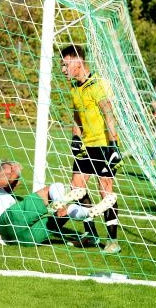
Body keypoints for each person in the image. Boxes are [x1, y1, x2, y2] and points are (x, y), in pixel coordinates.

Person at [60, 44, 121, 254]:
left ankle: (113, 241)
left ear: (78, 61)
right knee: (77, 188)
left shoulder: (98, 84)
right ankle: (90, 235)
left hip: (104, 145)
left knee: (106, 192)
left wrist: (113, 144)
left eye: (65, 64)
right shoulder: (74, 88)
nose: (63, 69)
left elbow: (109, 113)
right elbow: (77, 116)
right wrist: (76, 137)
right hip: (86, 146)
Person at [0, 160, 109, 246]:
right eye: (9, 171)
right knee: (51, 189)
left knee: (61, 215)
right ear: (1, 172)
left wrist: (15, 174)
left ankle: (89, 212)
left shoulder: (11, 199)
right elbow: (3, 181)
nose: (16, 180)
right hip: (5, 224)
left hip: (18, 240)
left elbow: (8, 182)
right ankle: (60, 201)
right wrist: (15, 170)